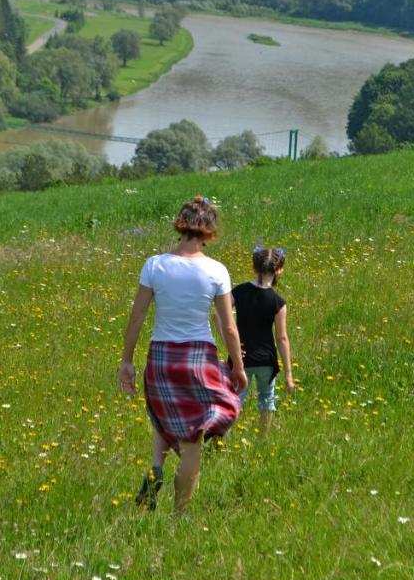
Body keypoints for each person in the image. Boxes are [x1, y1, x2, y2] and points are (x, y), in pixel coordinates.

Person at [119, 196, 247, 514]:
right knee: (194, 437)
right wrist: (238, 366)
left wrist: (126, 361)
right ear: (209, 232)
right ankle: (182, 512)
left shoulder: (155, 265)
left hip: (161, 358)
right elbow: (229, 327)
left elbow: (136, 317)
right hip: (198, 357)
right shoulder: (216, 270)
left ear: (180, 227)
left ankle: (155, 469)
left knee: (162, 420)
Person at [231, 246, 295, 432]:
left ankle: (222, 438)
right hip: (267, 360)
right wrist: (289, 375)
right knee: (267, 399)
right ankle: (263, 437)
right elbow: (282, 338)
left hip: (240, 358)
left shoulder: (239, 292)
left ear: (254, 268)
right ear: (279, 270)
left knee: (235, 399)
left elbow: (219, 313)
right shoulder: (278, 302)